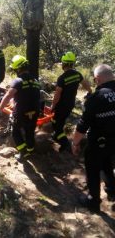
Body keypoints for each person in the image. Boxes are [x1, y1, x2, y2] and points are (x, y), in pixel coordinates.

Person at [72, 64, 115, 213]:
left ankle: (93, 201)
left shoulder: (95, 98)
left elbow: (82, 125)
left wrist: (75, 142)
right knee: (107, 161)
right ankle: (112, 190)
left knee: (93, 168)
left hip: (99, 141)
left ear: (97, 79)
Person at [0, 55, 40, 161]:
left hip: (21, 112)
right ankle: (30, 151)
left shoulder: (18, 81)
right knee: (30, 132)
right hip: (35, 111)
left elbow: (7, 96)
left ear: (18, 68)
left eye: (15, 69)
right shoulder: (35, 81)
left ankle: (22, 152)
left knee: (15, 132)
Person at [50, 51, 92, 152]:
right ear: (72, 63)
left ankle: (64, 143)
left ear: (64, 64)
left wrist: (53, 105)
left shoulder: (62, 78)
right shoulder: (77, 74)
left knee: (55, 124)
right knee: (60, 122)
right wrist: (90, 91)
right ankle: (57, 136)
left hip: (61, 106)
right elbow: (86, 84)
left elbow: (57, 95)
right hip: (70, 104)